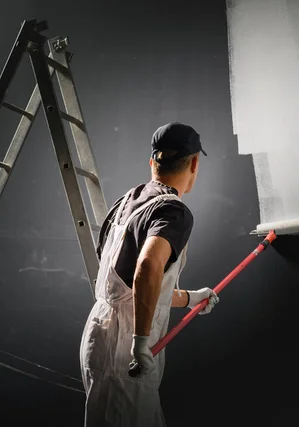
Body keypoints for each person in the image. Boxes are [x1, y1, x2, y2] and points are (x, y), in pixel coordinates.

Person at [79, 122, 220, 426]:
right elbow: (146, 267)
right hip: (125, 348)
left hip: (101, 333)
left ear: (153, 162)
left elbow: (127, 281)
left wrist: (190, 298)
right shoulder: (173, 211)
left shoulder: (128, 202)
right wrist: (140, 341)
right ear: (194, 163)